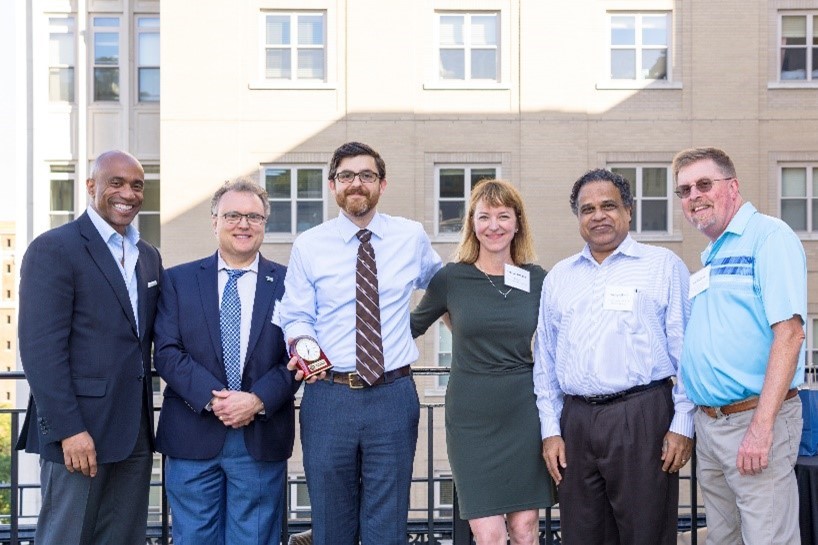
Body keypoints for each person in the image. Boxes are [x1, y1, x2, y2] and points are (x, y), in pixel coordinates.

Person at [278, 141, 443, 545]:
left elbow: (444, 290)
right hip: (329, 396)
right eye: (346, 176)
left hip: (393, 395)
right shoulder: (309, 245)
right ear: (333, 185)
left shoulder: (410, 236)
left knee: (387, 524)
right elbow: (296, 315)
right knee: (331, 522)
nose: (357, 184)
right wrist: (304, 347)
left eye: (367, 176)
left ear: (382, 185)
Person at [533, 168, 695, 545]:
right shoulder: (559, 277)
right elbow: (546, 361)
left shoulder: (663, 266)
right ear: (578, 218)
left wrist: (682, 423)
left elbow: (687, 351)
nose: (598, 215)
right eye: (587, 209)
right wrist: (551, 430)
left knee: (646, 533)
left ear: (628, 211)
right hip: (576, 423)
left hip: (643, 417)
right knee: (582, 533)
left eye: (609, 205)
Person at [16, 150, 163, 545]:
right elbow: (40, 349)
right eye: (116, 182)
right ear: (92, 186)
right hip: (79, 435)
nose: (127, 193)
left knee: (124, 538)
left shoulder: (148, 257)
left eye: (137, 185)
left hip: (133, 433)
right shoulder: (55, 248)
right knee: (67, 537)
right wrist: (69, 430)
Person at [672, 147, 807, 545]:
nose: (693, 195)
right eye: (683, 190)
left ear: (732, 187)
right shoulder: (714, 253)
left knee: (768, 538)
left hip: (753, 420)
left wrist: (761, 428)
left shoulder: (769, 237)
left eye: (703, 184)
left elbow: (791, 334)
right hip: (712, 424)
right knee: (724, 538)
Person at [411, 179, 555, 545]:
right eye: (484, 216)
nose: (494, 225)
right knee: (488, 534)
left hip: (524, 414)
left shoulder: (539, 280)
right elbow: (407, 328)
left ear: (517, 223)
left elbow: (564, 342)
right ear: (472, 224)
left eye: (503, 216)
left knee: (525, 529)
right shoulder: (451, 279)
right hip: (471, 419)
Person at [153, 178, 296, 545]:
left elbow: (296, 356)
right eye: (232, 215)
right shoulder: (177, 280)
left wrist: (256, 400)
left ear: (265, 223)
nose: (243, 224)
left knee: (254, 538)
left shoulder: (290, 283)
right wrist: (216, 399)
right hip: (192, 434)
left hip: (260, 435)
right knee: (194, 539)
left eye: (254, 217)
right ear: (214, 221)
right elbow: (167, 352)